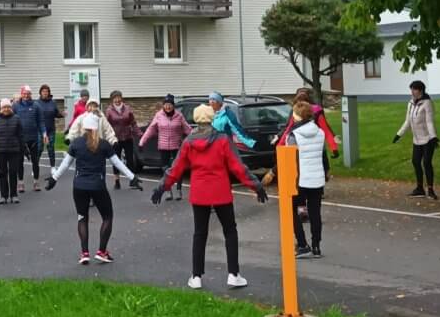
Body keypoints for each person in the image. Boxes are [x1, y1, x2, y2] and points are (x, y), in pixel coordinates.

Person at [151, 105, 267, 288]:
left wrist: (162, 187)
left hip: (200, 192)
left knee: (200, 233)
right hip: (221, 191)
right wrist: (256, 185)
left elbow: (176, 168)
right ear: (212, 118)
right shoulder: (223, 140)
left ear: (196, 119)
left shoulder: (189, 142)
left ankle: (196, 276)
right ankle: (233, 274)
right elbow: (237, 166)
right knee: (230, 231)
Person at [46, 113, 142, 264]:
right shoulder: (103, 144)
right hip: (98, 186)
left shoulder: (76, 143)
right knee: (107, 217)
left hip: (79, 186)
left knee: (82, 218)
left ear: (84, 127)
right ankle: (102, 251)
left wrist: (54, 178)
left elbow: (65, 164)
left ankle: (84, 253)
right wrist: (132, 177)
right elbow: (117, 163)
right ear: (97, 127)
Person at [283, 101, 326, 258]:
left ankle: (302, 244)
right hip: (317, 177)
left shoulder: (293, 135)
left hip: (300, 179)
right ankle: (316, 246)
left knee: (291, 210)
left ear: (297, 116)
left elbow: (288, 158)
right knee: (315, 213)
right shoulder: (320, 132)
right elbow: (322, 154)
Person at [139, 94, 191, 200]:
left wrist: (197, 138)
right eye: (166, 104)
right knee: (165, 169)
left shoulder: (179, 116)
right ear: (163, 105)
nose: (168, 107)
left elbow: (187, 129)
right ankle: (168, 190)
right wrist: (142, 142)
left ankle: (178, 190)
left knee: (178, 168)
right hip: (163, 146)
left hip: (176, 146)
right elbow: (150, 129)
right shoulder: (159, 115)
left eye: (170, 104)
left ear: (173, 105)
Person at [393, 80, 439, 199]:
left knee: (427, 163)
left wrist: (433, 137)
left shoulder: (427, 103)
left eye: (415, 89)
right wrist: (399, 134)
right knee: (415, 162)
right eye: (411, 89)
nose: (412, 92)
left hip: (427, 139)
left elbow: (429, 121)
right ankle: (419, 189)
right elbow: (408, 121)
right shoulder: (410, 103)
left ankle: (430, 190)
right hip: (416, 139)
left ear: (421, 90)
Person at [0, 98, 23, 204]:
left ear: (11, 108)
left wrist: (24, 150)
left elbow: (20, 135)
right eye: (4, 107)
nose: (6, 109)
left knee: (13, 172)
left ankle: (14, 195)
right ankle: (4, 196)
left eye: (8, 107)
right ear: (1, 108)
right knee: (2, 173)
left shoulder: (16, 119)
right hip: (1, 150)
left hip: (14, 150)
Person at [104, 90, 140, 190]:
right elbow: (106, 125)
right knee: (116, 159)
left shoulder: (127, 108)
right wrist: (107, 137)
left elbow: (133, 123)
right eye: (115, 98)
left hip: (128, 137)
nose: (117, 100)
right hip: (116, 139)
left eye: (119, 97)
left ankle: (132, 180)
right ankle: (117, 180)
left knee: (130, 160)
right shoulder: (109, 110)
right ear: (112, 100)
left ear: (121, 98)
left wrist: (139, 133)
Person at [13, 86, 44, 192]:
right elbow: (12, 121)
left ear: (31, 94)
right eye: (24, 93)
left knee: (35, 161)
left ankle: (36, 182)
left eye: (28, 93)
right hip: (20, 139)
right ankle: (21, 183)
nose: (26, 95)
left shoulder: (36, 106)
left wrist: (44, 133)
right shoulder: (15, 106)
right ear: (21, 94)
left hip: (33, 138)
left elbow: (41, 121)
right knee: (19, 162)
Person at [34, 84, 62, 168]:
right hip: (40, 130)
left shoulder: (53, 102)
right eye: (43, 91)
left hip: (51, 130)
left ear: (49, 93)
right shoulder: (36, 103)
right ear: (40, 93)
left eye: (47, 91)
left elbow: (56, 113)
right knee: (39, 148)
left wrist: (61, 114)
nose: (45, 93)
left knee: (51, 149)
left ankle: (52, 167)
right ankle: (35, 167)